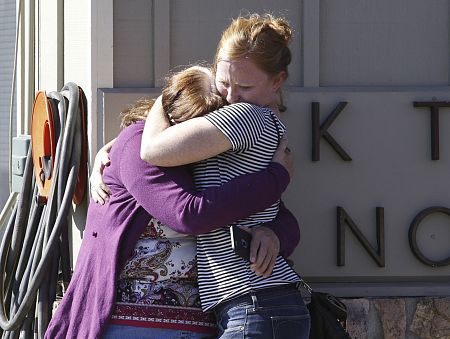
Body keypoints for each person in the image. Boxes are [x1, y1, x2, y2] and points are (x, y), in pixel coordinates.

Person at [45, 65, 298, 339]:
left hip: (209, 322)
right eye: (200, 129)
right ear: (179, 121)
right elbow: (187, 214)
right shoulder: (137, 146)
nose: (206, 141)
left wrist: (274, 234)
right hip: (129, 324)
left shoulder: (214, 161)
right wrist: (277, 176)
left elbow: (274, 212)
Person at [139, 14, 310, 338]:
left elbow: (152, 150)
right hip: (258, 304)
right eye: (224, 82)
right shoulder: (264, 121)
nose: (230, 97)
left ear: (277, 81)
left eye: (245, 86)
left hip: (256, 304)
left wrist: (164, 98)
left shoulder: (245, 116)